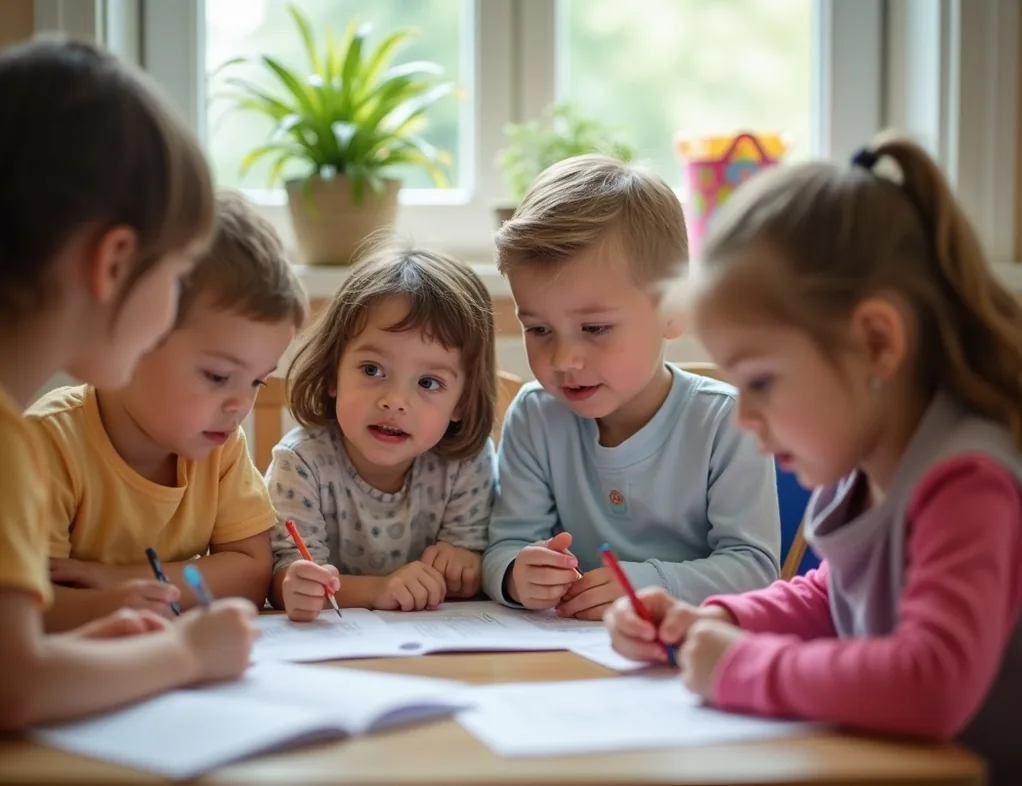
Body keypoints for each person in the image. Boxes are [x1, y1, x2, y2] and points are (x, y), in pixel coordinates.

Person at [605, 135, 1022, 784]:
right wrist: (716, 620)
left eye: (762, 381)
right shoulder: (861, 466)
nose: (744, 418)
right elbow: (835, 597)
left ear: (876, 343)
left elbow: (931, 681)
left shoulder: (967, 478)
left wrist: (738, 667)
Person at [0, 38, 258, 730]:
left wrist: (88, 648)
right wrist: (186, 655)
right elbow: (16, 688)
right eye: (176, 278)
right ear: (113, 263)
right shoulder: (13, 444)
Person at [482, 154, 780, 620]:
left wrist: (646, 583)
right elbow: (504, 545)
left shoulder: (725, 421)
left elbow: (756, 569)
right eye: (538, 330)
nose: (564, 360)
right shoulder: (535, 416)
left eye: (595, 328)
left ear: (674, 309)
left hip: (683, 653)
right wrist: (517, 574)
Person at [33, 190, 307, 631]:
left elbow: (250, 575)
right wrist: (122, 602)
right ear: (135, 340)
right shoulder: (46, 445)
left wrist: (115, 583)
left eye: (257, 380)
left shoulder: (222, 445)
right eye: (218, 376)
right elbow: (31, 611)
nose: (242, 405)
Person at [267, 243, 497, 619]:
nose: (395, 400)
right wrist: (377, 589)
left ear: (461, 402)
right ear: (332, 374)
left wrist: (466, 567)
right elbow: (284, 582)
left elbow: (473, 564)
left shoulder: (465, 463)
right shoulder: (301, 463)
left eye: (428, 382)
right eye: (372, 370)